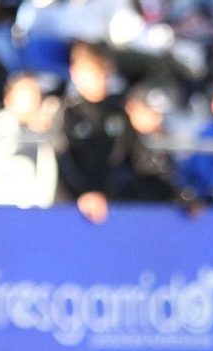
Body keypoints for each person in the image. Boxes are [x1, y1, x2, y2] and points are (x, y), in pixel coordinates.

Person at [50, 41, 164, 222]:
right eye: (92, 72)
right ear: (75, 73)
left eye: (103, 71)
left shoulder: (117, 113)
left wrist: (177, 195)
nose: (99, 78)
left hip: (112, 209)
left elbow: (141, 159)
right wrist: (86, 194)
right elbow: (64, 160)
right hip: (72, 211)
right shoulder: (68, 113)